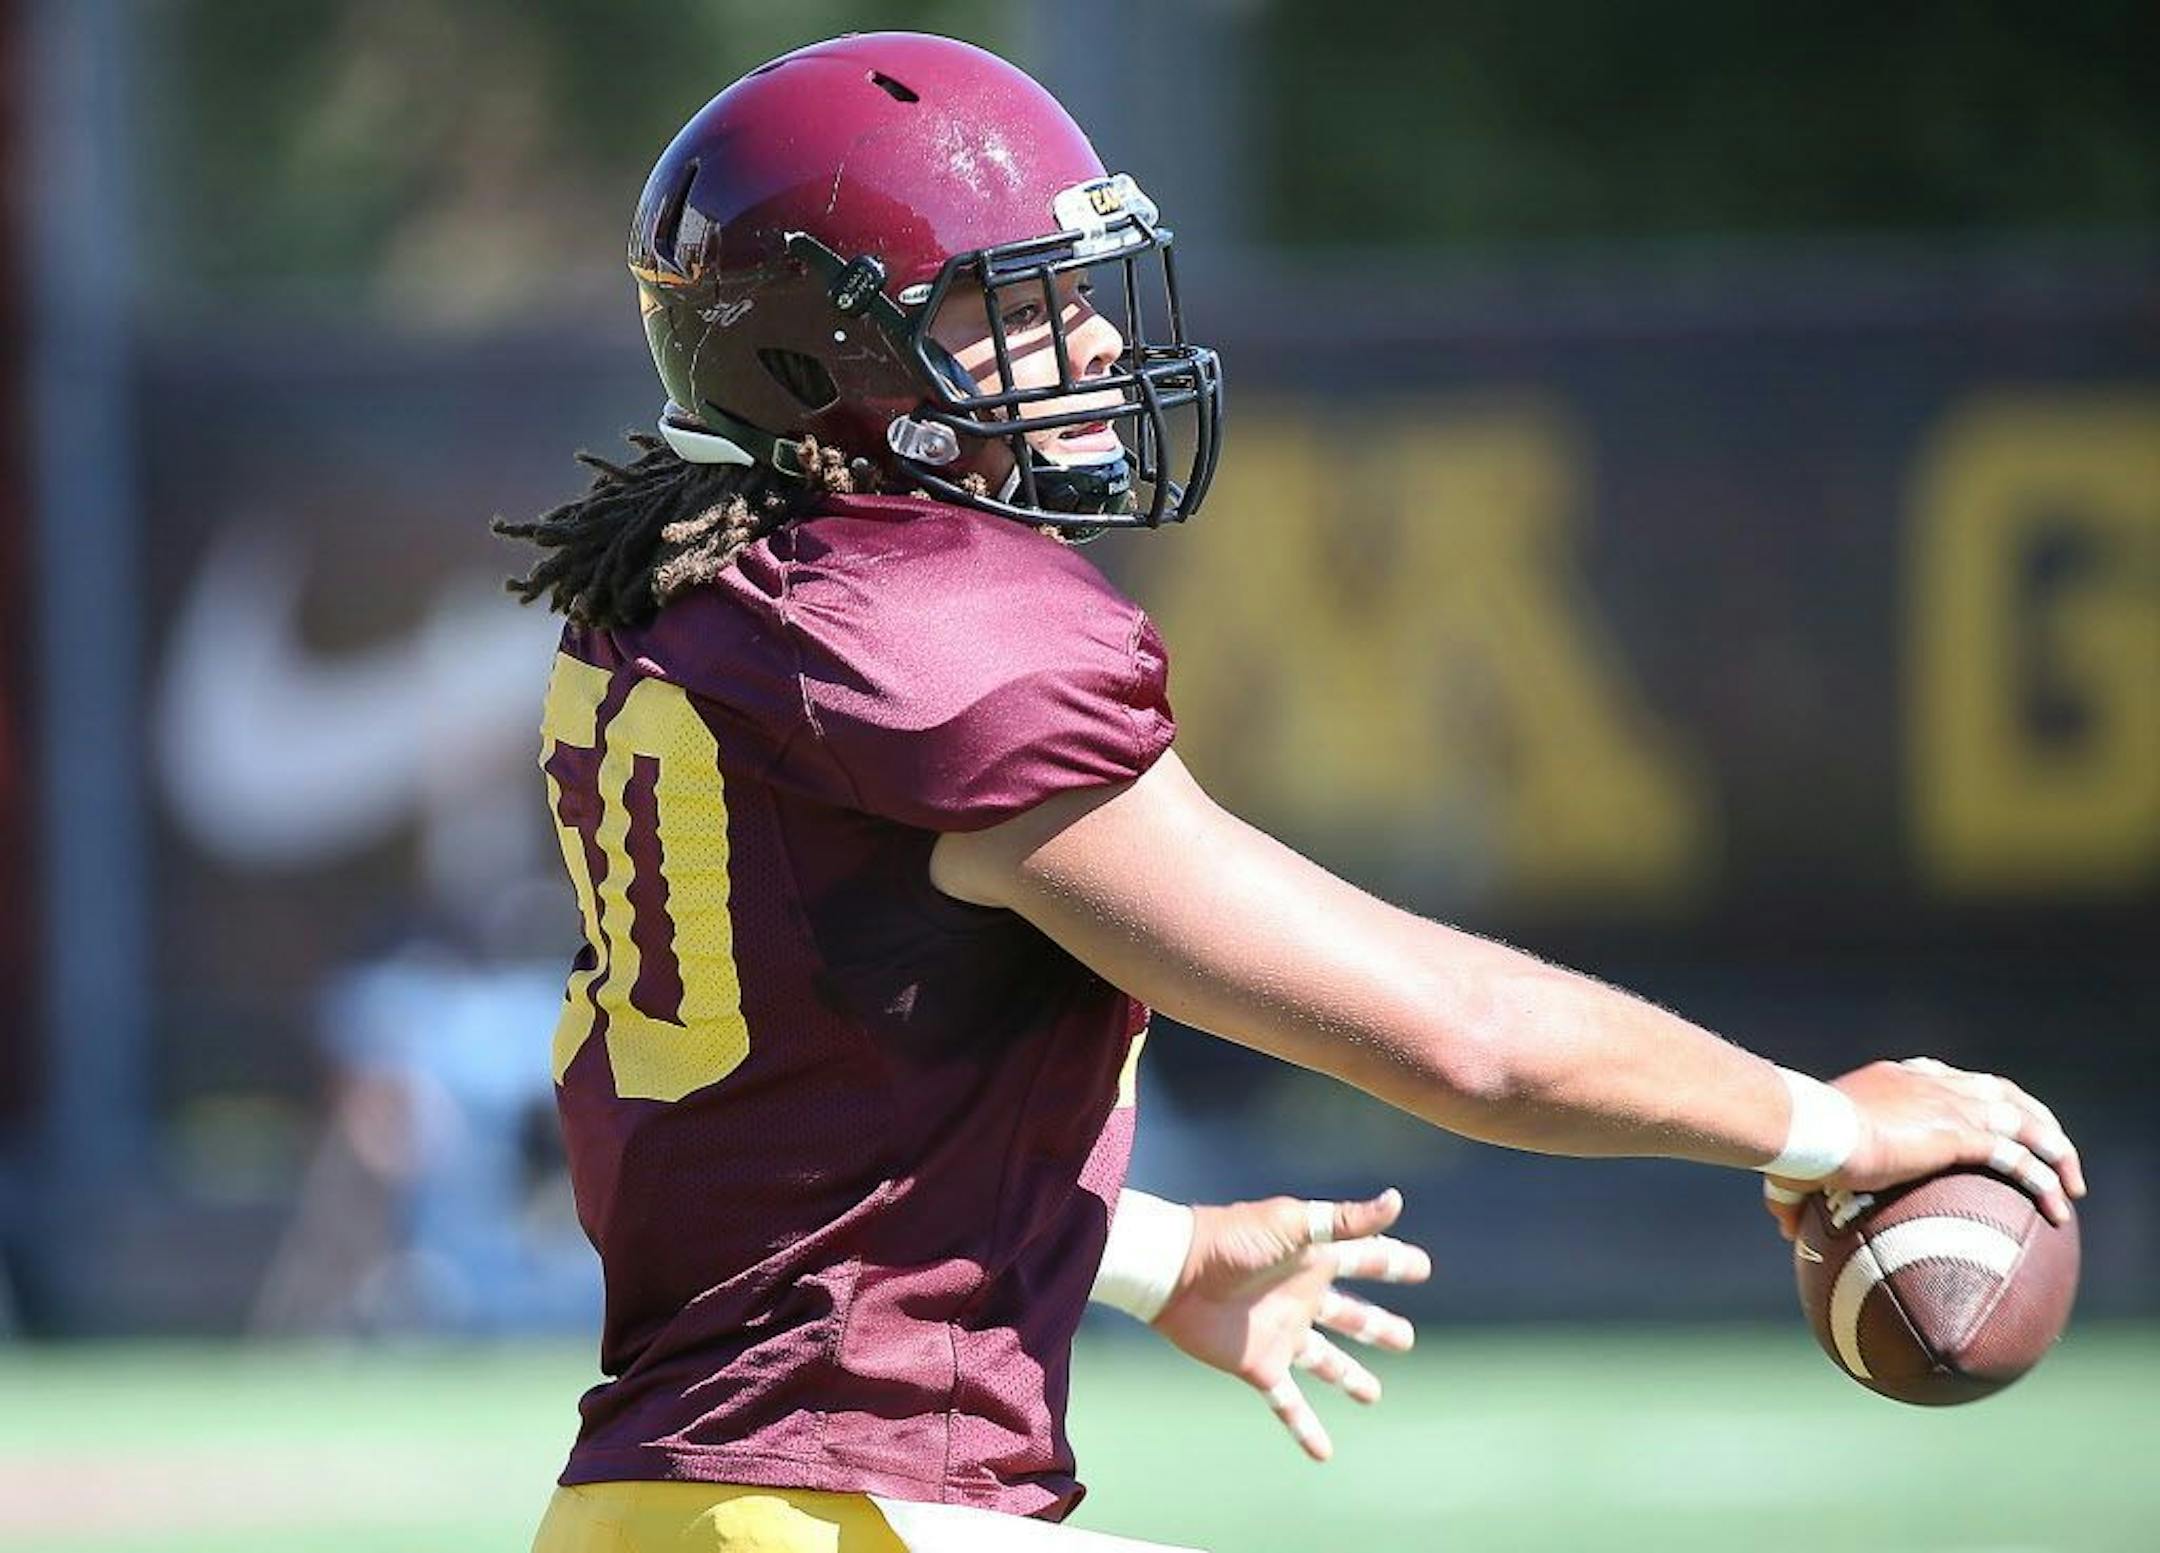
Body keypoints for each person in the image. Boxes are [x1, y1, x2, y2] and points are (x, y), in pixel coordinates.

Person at [496, 33, 2084, 1553]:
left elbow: (764, 1154)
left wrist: (1150, 1251)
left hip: (676, 1506)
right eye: (1019, 303)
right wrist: (1822, 1125)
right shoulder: (935, 639)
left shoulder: (694, 598)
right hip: (836, 1510)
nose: (1099, 343)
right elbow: (1469, 1039)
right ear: (823, 348)